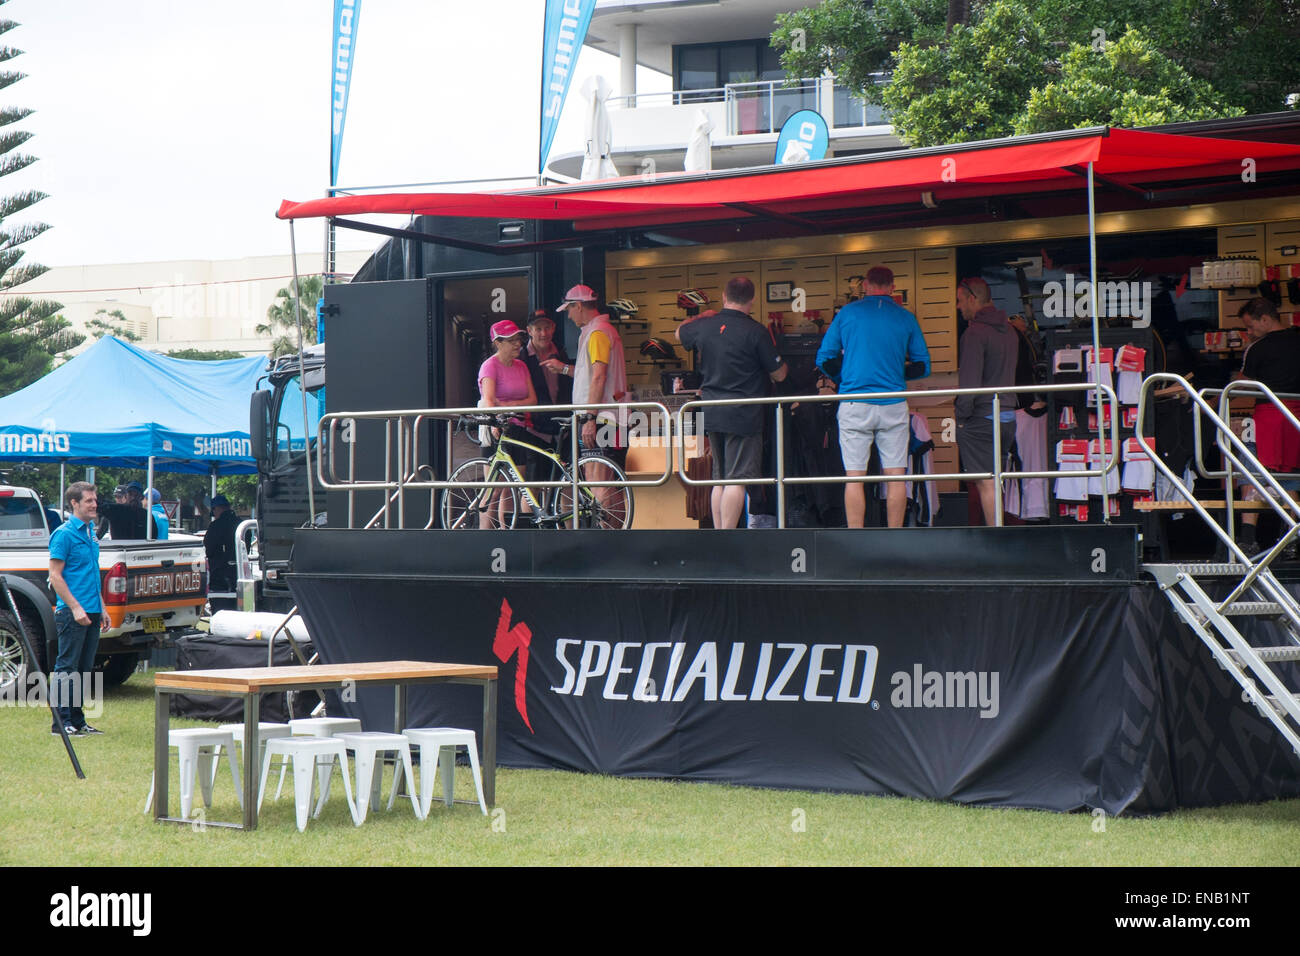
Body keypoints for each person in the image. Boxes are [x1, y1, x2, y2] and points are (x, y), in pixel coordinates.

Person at [816, 266, 930, 528]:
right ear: (892, 288)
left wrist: (849, 378)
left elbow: (823, 359)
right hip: (893, 404)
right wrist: (895, 375)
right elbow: (923, 366)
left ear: (865, 286)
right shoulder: (905, 317)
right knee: (896, 476)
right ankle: (895, 539)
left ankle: (857, 538)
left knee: (854, 477)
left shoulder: (847, 314)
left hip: (854, 403)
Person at [677, 276, 788, 528]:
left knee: (720, 480)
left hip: (713, 412)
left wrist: (700, 317)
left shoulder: (705, 325)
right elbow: (779, 374)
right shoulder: (756, 331)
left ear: (724, 296)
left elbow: (679, 332)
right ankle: (729, 538)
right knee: (737, 480)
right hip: (744, 415)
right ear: (752, 300)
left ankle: (719, 538)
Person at [1236, 297, 1300, 557]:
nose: (1248, 333)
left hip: (1266, 417)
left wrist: (1213, 401)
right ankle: (1293, 535)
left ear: (1265, 319)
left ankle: (1247, 539)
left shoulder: (1257, 348)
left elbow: (1240, 385)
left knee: (1250, 473)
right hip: (1295, 417)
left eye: (1250, 327)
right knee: (1291, 476)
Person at [560, 285, 629, 518]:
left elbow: (599, 375)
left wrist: (589, 417)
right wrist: (564, 369)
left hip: (601, 417)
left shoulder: (597, 332)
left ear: (578, 306)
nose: (568, 316)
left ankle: (603, 538)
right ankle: (617, 535)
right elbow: (593, 375)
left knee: (597, 480)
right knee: (611, 482)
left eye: (569, 309)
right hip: (615, 417)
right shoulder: (602, 330)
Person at [954, 276, 1018, 526]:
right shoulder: (1011, 331)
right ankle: (998, 532)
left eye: (960, 301)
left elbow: (969, 383)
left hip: (981, 416)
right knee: (995, 479)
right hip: (1008, 414)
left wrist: (960, 418)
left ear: (973, 298)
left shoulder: (974, 333)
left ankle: (996, 539)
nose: (959, 307)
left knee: (986, 483)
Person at [47, 481, 110, 737]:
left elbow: (92, 574)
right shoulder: (64, 534)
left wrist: (102, 608)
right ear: (74, 503)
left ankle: (78, 720)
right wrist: (75, 608)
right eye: (89, 501)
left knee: (84, 669)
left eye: (95, 500)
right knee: (67, 668)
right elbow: (55, 576)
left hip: (93, 610)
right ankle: (60, 722)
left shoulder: (90, 532)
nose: (94, 505)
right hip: (73, 612)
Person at [477, 319, 539, 525]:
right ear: (498, 343)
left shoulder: (521, 366)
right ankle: (485, 538)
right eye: (511, 340)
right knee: (492, 491)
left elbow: (532, 400)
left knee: (514, 488)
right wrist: (496, 419)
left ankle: (508, 535)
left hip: (519, 428)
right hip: (499, 429)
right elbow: (488, 399)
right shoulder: (490, 366)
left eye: (518, 339)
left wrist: (509, 404)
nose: (517, 344)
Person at [521, 308, 574, 466]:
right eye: (538, 329)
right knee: (534, 484)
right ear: (529, 331)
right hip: (534, 432)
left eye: (547, 328)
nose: (543, 333)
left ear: (554, 328)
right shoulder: (521, 358)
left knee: (564, 484)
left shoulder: (563, 354)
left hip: (563, 432)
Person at [205, 494, 239, 593]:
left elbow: (208, 549)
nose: (214, 515)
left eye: (214, 512)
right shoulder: (241, 525)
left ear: (217, 509)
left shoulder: (215, 526)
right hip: (239, 573)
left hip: (219, 578)